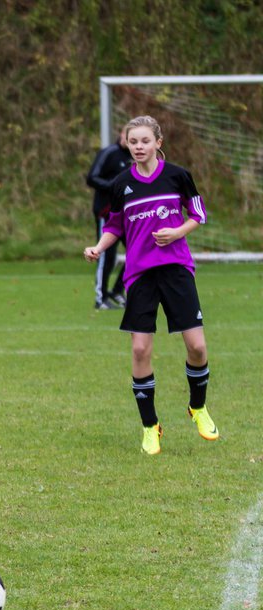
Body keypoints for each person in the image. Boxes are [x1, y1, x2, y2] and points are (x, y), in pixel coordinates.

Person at [85, 115, 218, 455]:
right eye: (133, 142)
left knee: (198, 348)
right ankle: (150, 426)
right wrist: (99, 247)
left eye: (145, 141)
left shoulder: (177, 176)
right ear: (127, 144)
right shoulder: (121, 184)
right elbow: (114, 225)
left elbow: (198, 213)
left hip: (176, 270)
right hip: (140, 275)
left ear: (158, 142)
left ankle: (198, 407)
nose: (139, 147)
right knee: (141, 349)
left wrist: (177, 232)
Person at [86, 132, 132, 309]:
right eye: (130, 138)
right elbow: (92, 178)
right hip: (107, 213)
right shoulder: (109, 153)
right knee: (107, 255)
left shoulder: (135, 158)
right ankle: (101, 298)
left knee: (138, 251)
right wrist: (113, 185)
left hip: (128, 214)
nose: (135, 143)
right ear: (123, 135)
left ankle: (117, 291)